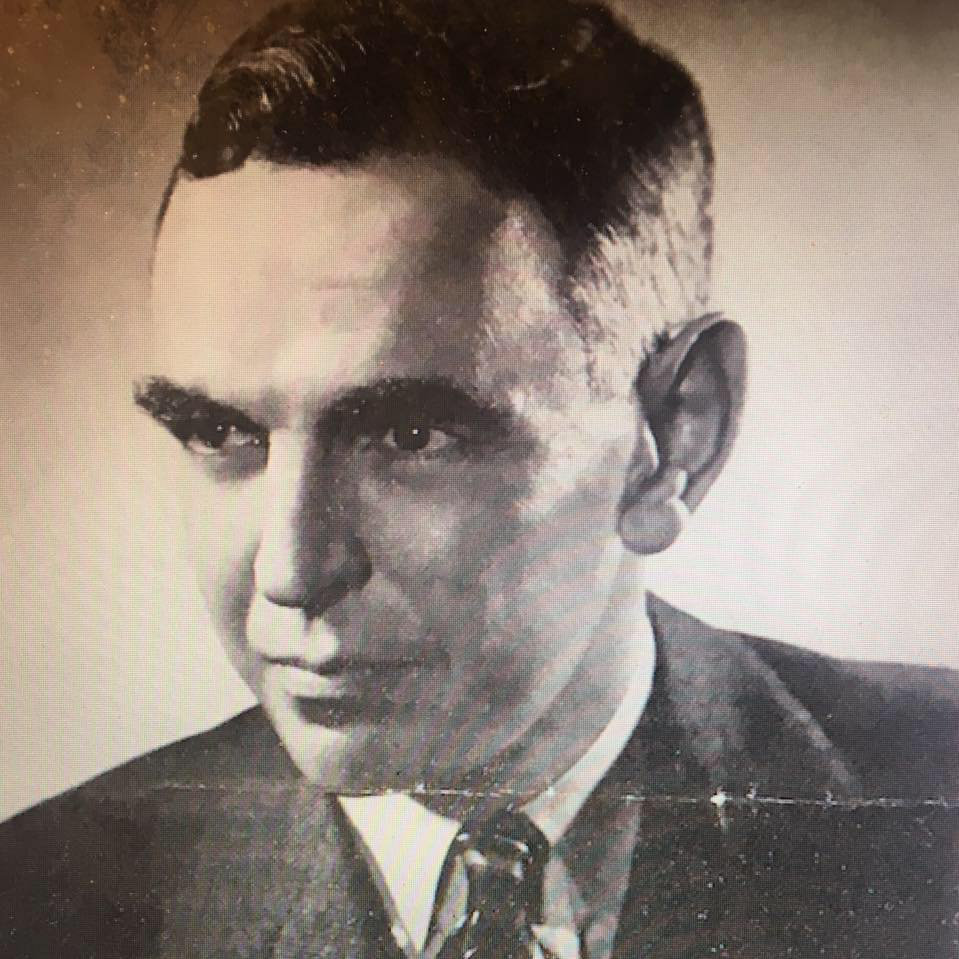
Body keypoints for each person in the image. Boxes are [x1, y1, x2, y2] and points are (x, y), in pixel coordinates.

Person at [2, 1, 957, 956]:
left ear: (674, 435)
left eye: (409, 436)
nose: (290, 572)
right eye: (221, 433)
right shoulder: (42, 904)